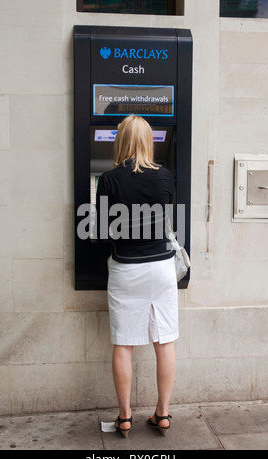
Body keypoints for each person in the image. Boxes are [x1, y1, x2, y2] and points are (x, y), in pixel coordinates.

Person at [96, 115, 179, 438]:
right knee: (164, 341)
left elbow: (102, 230)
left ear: (120, 142)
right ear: (149, 141)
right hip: (161, 268)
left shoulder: (109, 179)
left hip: (126, 269)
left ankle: (125, 417)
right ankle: (163, 413)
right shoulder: (165, 177)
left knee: (124, 343)